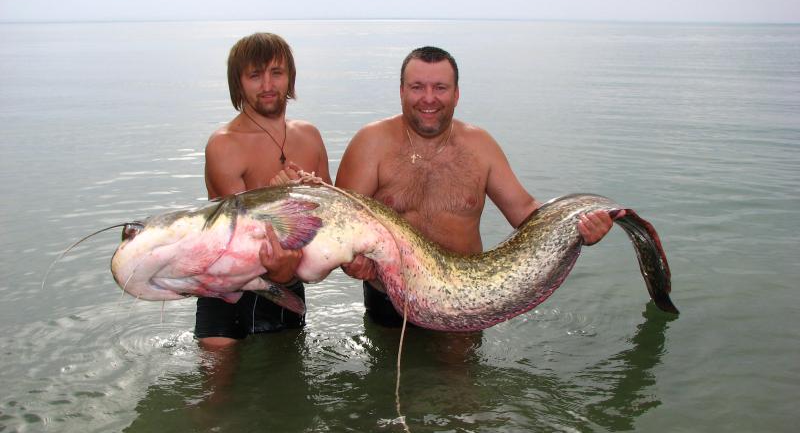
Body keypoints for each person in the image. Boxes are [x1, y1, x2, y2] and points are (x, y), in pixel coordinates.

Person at [335, 46, 620, 326]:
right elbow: (340, 224)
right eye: (417, 87)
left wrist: (579, 228)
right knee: (385, 373)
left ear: (456, 94)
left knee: (460, 374)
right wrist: (352, 260)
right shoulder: (370, 143)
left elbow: (525, 211)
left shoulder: (480, 146)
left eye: (440, 88)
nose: (429, 98)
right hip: (388, 299)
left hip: (466, 304)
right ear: (401, 91)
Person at [195, 32, 331, 349]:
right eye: (255, 75)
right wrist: (274, 197)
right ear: (238, 84)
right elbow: (240, 236)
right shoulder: (224, 144)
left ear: (290, 78)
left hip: (287, 284)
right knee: (219, 393)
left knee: (287, 387)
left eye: (276, 73)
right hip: (227, 290)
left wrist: (316, 192)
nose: (268, 85)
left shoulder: (309, 136)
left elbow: (327, 217)